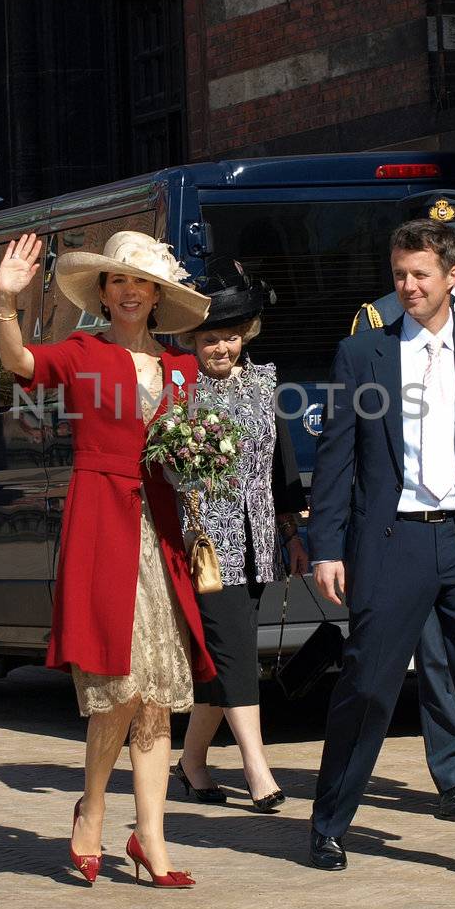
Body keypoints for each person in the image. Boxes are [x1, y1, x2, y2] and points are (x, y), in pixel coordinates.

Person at [308, 218, 455, 880]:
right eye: (400, 275)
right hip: (395, 541)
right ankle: (328, 825)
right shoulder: (364, 355)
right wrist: (328, 547)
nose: (408, 287)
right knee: (370, 688)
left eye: (420, 275)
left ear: (452, 277)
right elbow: (337, 459)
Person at [0, 230, 215, 888]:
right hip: (101, 524)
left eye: (140, 283)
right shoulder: (84, 354)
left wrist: (202, 459)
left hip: (162, 533)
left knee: (156, 699)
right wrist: (6, 304)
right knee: (116, 690)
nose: (129, 292)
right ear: (104, 292)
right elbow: (21, 364)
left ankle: (151, 838)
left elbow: (194, 450)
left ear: (157, 296)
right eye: (118, 281)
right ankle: (92, 808)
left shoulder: (184, 370)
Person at [171, 259, 309, 813]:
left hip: (259, 543)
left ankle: (192, 762)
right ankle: (258, 769)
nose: (221, 348)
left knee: (224, 657)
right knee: (235, 654)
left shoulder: (265, 380)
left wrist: (294, 532)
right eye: (210, 338)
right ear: (194, 340)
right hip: (205, 544)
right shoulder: (180, 388)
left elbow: (284, 465)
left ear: (244, 334)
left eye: (229, 336)